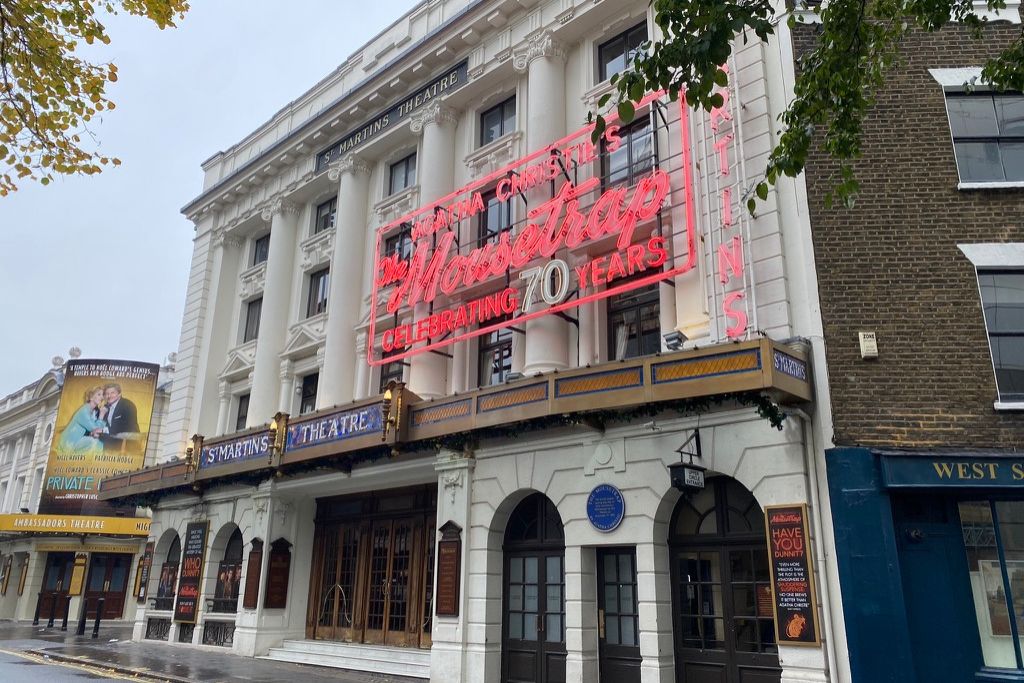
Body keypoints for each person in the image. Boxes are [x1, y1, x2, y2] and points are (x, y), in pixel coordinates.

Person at [56, 386, 108, 456]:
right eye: (99, 394)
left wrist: (94, 433)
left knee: (99, 441)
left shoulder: (93, 412)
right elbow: (95, 428)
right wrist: (102, 414)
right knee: (95, 442)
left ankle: (95, 460)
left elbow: (97, 430)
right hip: (67, 444)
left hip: (77, 441)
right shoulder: (84, 411)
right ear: (91, 397)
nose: (102, 397)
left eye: (102, 395)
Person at [96, 383, 140, 453]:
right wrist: (101, 414)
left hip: (128, 446)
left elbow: (127, 427)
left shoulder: (128, 405)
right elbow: (98, 426)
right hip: (109, 446)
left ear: (119, 394)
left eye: (112, 393)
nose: (109, 396)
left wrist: (104, 430)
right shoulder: (104, 408)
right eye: (107, 394)